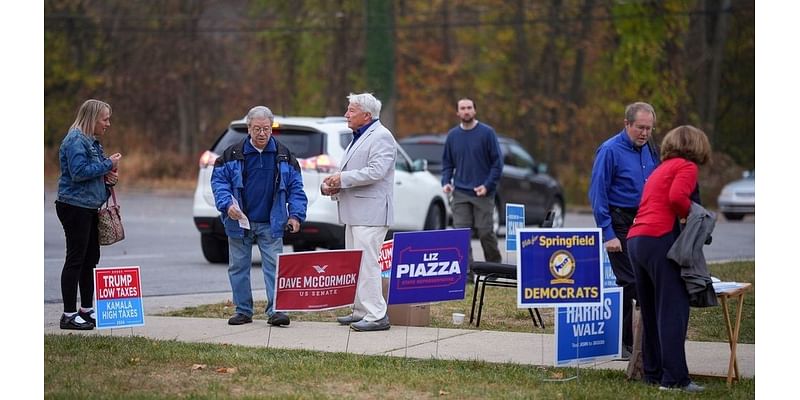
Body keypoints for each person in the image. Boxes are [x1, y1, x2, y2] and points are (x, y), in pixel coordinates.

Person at [627, 125, 711, 393]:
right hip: (660, 238)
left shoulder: (659, 169)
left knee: (650, 310)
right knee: (672, 310)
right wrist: (691, 215)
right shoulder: (686, 166)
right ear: (696, 146)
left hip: (636, 240)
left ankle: (653, 373)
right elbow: (677, 198)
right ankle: (675, 379)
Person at [211, 106, 307, 327]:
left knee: (275, 267)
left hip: (271, 223)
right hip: (239, 222)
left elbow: (296, 189)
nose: (262, 133)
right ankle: (243, 310)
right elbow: (219, 183)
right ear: (248, 128)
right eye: (257, 129)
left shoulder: (285, 156)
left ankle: (276, 311)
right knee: (238, 267)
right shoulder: (231, 154)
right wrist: (227, 206)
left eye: (266, 129)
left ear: (271, 129)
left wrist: (296, 216)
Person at [588, 101, 659, 357]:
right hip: (619, 222)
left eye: (649, 128)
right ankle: (625, 342)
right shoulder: (609, 150)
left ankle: (644, 340)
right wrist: (608, 233)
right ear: (626, 124)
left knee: (647, 281)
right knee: (630, 282)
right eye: (640, 127)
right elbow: (597, 193)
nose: (644, 133)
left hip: (645, 221)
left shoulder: (650, 149)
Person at [321, 93, 396, 332]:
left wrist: (341, 178)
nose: (346, 114)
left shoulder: (382, 136)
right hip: (356, 213)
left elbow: (376, 171)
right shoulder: (359, 137)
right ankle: (362, 310)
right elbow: (356, 171)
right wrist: (334, 186)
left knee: (368, 265)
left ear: (366, 115)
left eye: (351, 111)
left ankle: (377, 315)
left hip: (371, 214)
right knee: (356, 264)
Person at [55, 99, 122, 330]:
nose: (108, 124)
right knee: (76, 258)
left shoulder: (93, 142)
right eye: (105, 119)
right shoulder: (75, 140)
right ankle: (68, 315)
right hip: (74, 207)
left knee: (90, 259)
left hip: (89, 206)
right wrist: (107, 164)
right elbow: (78, 172)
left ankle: (86, 309)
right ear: (92, 118)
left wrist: (108, 178)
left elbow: (93, 175)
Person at [440, 98, 503, 272]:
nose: (466, 111)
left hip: (483, 192)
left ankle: (495, 270)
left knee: (485, 233)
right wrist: (446, 182)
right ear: (458, 113)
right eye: (463, 108)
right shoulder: (453, 136)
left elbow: (497, 164)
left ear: (475, 111)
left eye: (469, 108)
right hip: (460, 193)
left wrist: (487, 185)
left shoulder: (487, 133)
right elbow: (447, 163)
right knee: (461, 235)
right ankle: (466, 274)